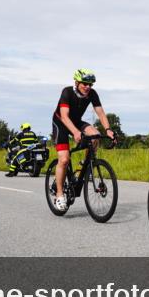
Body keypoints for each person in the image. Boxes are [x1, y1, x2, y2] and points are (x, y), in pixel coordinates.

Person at [50, 69, 115, 211]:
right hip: (61, 123)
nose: (87, 87)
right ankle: (59, 194)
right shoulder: (67, 92)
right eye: (84, 83)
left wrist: (108, 130)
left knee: (95, 135)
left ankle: (84, 167)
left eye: (90, 84)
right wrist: (75, 132)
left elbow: (101, 113)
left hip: (76, 121)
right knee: (64, 160)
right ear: (77, 82)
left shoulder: (92, 94)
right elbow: (64, 116)